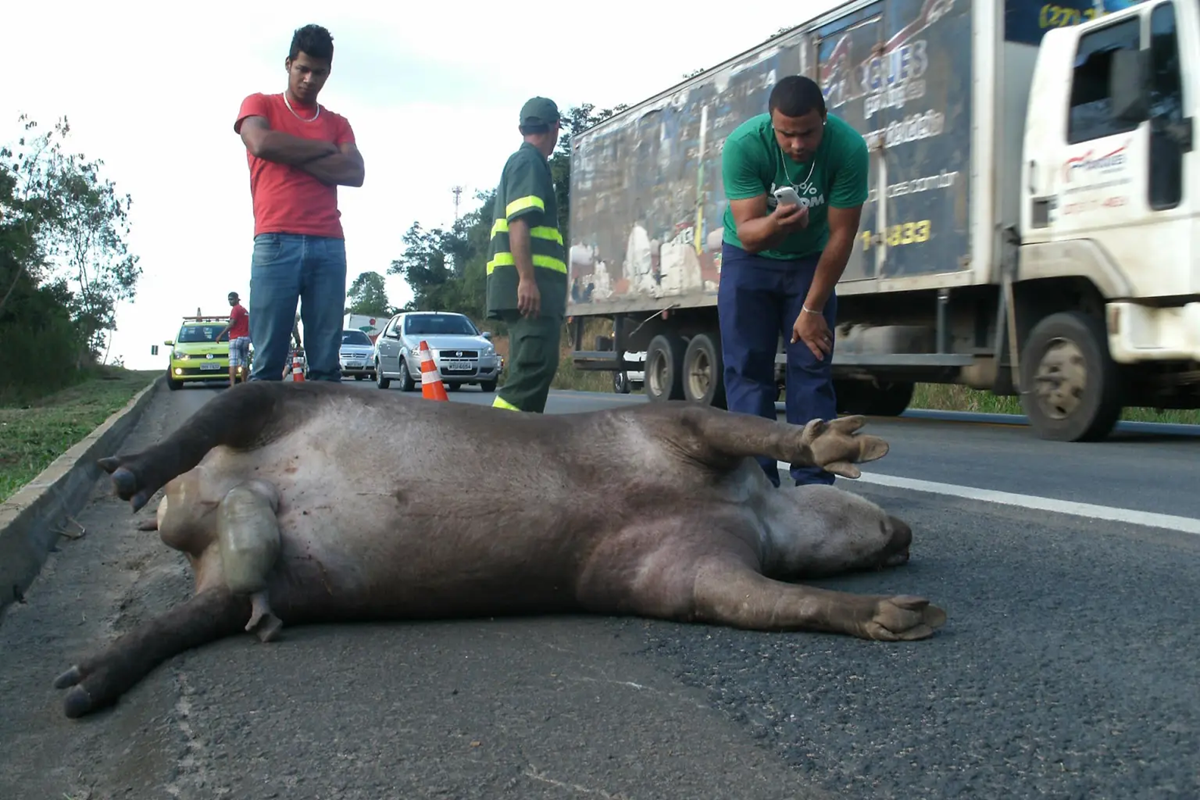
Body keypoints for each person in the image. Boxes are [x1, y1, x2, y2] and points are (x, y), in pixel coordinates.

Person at [718, 74, 869, 487]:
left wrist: (812, 308)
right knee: (748, 371)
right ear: (771, 124)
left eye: (807, 133)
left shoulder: (849, 148)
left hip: (810, 262)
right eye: (787, 134)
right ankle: (758, 484)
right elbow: (748, 234)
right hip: (748, 263)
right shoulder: (744, 145)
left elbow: (842, 235)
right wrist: (779, 226)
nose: (798, 144)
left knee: (811, 368)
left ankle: (815, 487)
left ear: (824, 119)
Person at [232, 23, 365, 383]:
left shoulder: (338, 123)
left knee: (325, 364)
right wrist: (324, 152)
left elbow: (354, 172)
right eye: (302, 69)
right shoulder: (260, 104)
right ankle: (261, 440)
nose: (309, 79)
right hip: (275, 241)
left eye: (318, 72)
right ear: (288, 63)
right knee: (267, 364)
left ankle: (325, 441)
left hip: (328, 244)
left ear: (328, 72)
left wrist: (286, 149)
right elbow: (259, 142)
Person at [485, 97, 568, 414]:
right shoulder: (529, 162)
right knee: (531, 371)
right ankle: (495, 441)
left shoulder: (527, 162)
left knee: (535, 368)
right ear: (554, 128)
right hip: (530, 291)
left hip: (532, 291)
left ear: (522, 127)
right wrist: (528, 280)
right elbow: (519, 222)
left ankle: (518, 447)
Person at [215, 291, 251, 387]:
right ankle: (244, 384)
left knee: (233, 362)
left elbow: (232, 323)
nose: (230, 301)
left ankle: (232, 385)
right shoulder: (245, 311)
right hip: (245, 338)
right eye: (229, 299)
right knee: (244, 362)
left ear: (236, 299)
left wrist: (221, 335)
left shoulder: (235, 309)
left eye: (231, 299)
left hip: (235, 338)